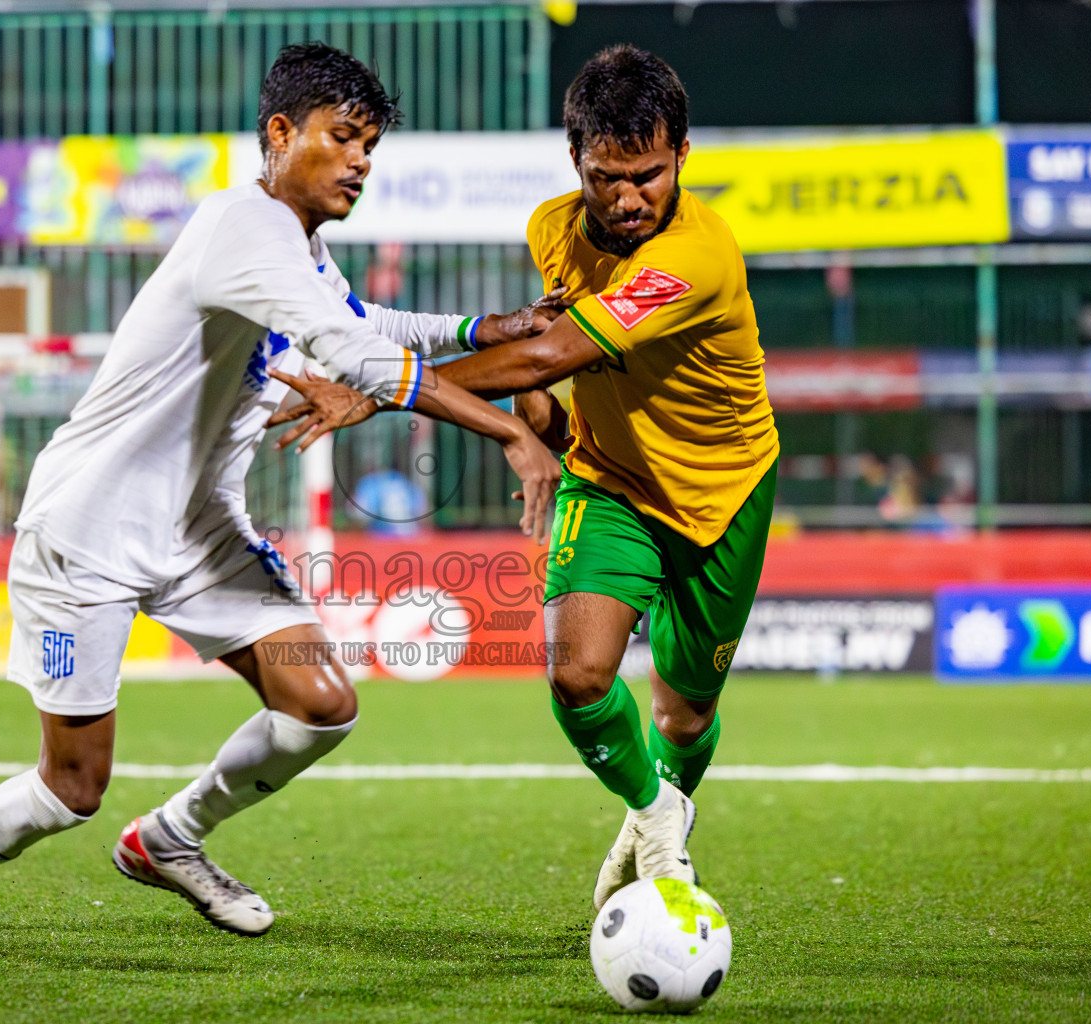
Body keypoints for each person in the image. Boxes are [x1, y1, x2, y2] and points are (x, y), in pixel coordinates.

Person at [0, 42, 562, 976]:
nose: (362, 160)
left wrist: (482, 329)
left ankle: (169, 838)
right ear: (281, 134)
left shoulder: (300, 246)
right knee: (74, 785)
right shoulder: (244, 229)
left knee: (321, 704)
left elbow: (366, 322)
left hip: (199, 533)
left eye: (371, 144)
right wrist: (510, 432)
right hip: (91, 531)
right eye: (344, 137)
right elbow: (355, 356)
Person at [271, 45, 779, 908]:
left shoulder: (697, 257)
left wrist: (376, 389)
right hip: (609, 479)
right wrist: (536, 426)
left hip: (722, 491)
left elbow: (548, 348)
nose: (627, 198)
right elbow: (543, 365)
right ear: (575, 159)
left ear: (683, 157)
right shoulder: (552, 227)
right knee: (579, 677)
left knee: (683, 718)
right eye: (605, 175)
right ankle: (659, 816)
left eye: (648, 175)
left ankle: (655, 810)